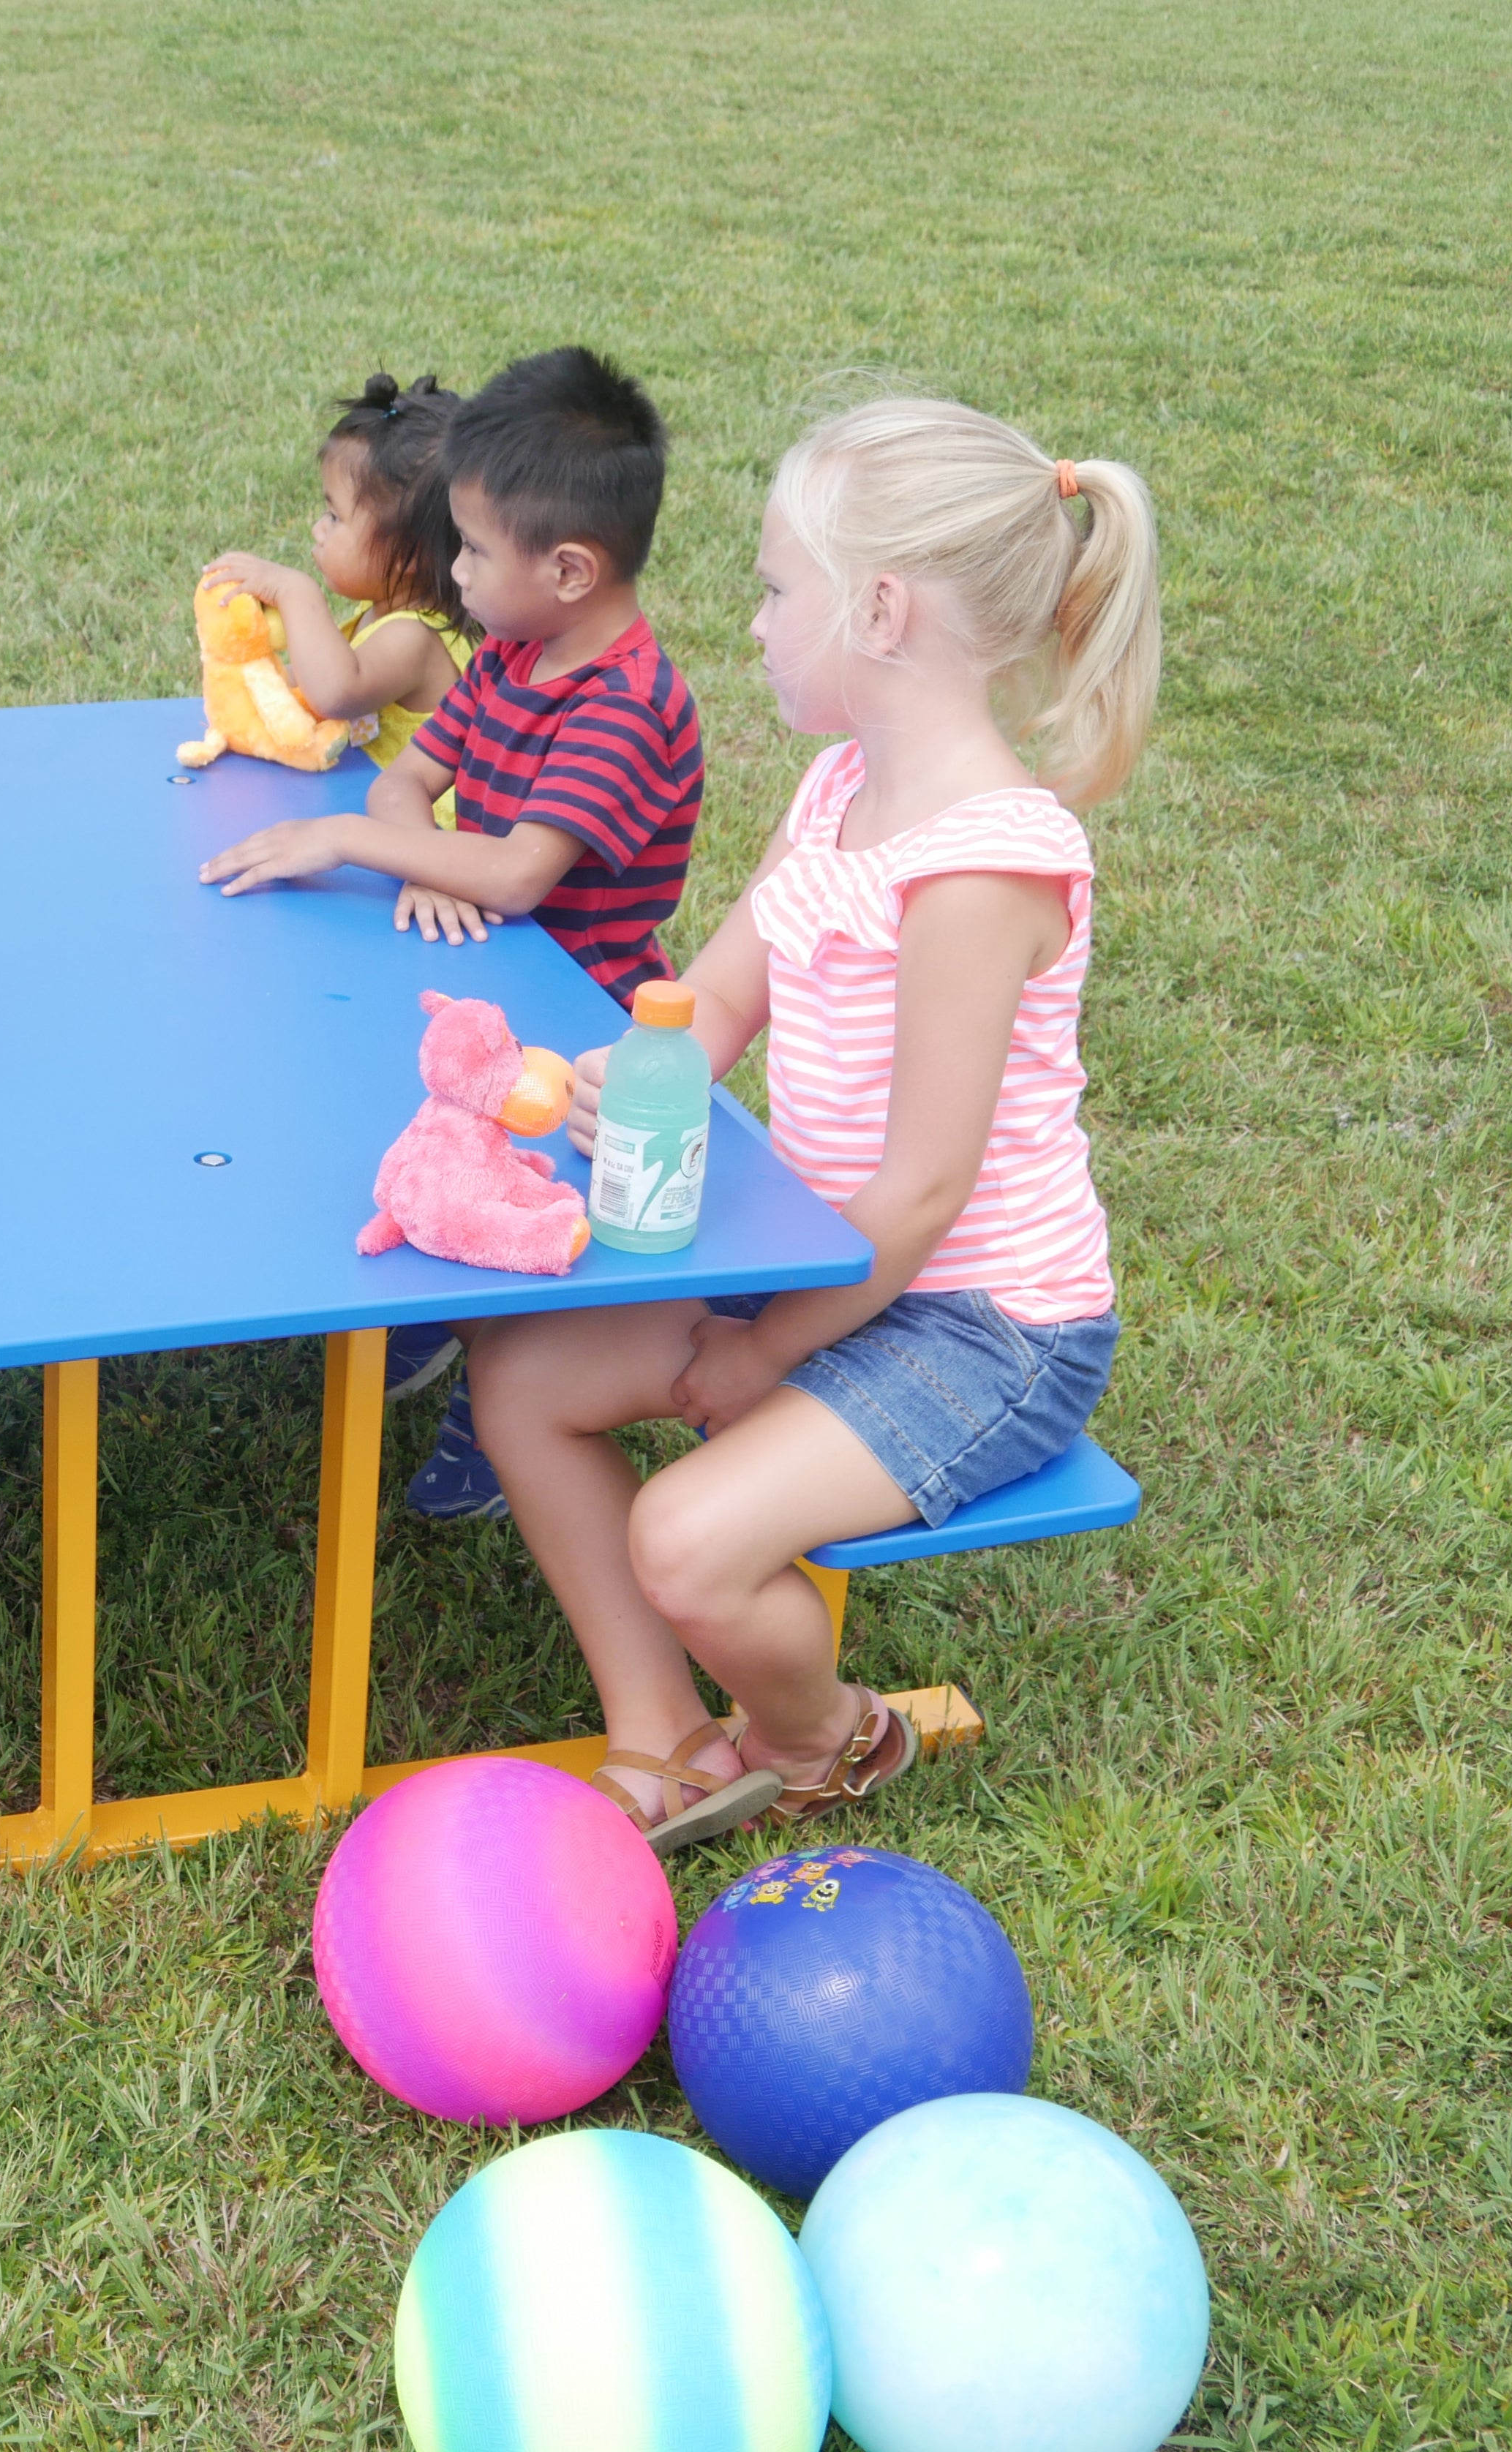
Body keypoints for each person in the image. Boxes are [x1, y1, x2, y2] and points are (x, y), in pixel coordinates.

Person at [464, 396, 1157, 1853]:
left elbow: (917, 1194)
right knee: (524, 1373)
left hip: (978, 1322)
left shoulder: (978, 868)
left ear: (881, 609)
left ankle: (821, 1736)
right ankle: (658, 1731)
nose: (759, 621)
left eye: (779, 590)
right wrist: (615, 1079)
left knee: (688, 1540)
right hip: (820, 1256)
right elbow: (708, 999)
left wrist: (754, 1352)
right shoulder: (843, 786)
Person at [198, 347, 705, 1521]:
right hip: (494, 980)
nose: (454, 573)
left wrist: (369, 846)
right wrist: (422, 852)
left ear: (569, 567)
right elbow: (406, 785)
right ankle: (433, 1309)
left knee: (537, 1214)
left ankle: (501, 1401)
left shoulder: (624, 702)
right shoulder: (518, 654)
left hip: (587, 1030)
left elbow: (521, 870)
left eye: (472, 549)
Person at [201, 372, 478, 831]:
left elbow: (334, 694)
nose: (318, 528)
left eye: (335, 516)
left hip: (424, 840)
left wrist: (296, 593)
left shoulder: (417, 636)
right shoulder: (385, 609)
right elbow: (307, 687)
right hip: (358, 798)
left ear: (409, 553)